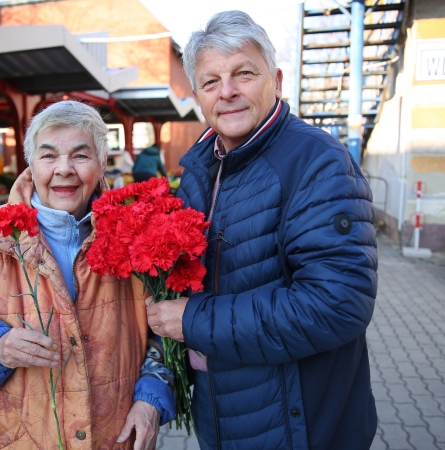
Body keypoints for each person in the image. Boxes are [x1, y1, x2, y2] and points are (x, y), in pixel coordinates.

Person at [145, 11, 378, 450]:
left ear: (277, 79)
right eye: (211, 82)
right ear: (198, 95)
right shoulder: (203, 164)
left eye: (243, 74)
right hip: (225, 411)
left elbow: (336, 305)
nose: (227, 91)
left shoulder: (317, 162)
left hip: (296, 421)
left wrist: (193, 320)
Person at [0, 101, 174, 449]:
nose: (64, 169)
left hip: (112, 437)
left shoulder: (135, 237)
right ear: (31, 164)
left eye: (81, 156)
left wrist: (151, 398)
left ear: (102, 165)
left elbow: (161, 334)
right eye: (49, 155)